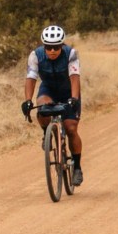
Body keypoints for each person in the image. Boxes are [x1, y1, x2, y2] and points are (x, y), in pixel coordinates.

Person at [21, 24, 84, 186]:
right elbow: (31, 78)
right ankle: (46, 133)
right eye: (49, 47)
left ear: (62, 45)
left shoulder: (71, 54)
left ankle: (77, 167)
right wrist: (28, 100)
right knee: (41, 108)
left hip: (68, 91)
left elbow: (75, 77)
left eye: (56, 47)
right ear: (44, 45)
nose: (52, 51)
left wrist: (74, 98)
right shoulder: (36, 55)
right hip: (48, 89)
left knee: (71, 128)